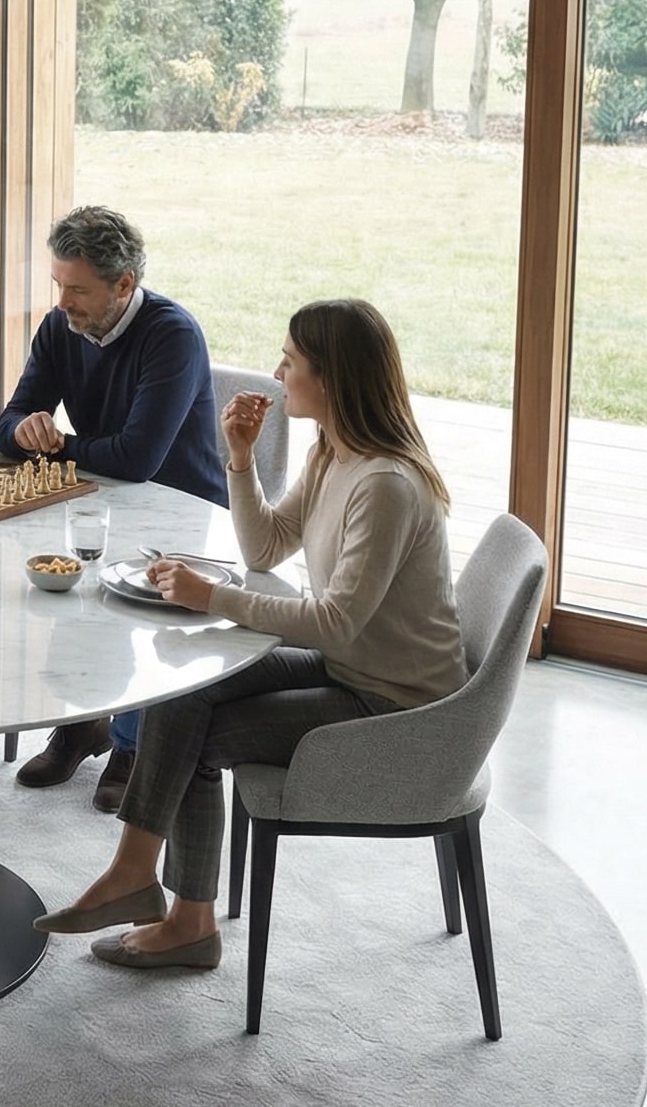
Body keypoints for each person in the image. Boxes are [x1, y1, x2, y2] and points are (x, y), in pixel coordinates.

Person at [34, 297, 466, 969]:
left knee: (196, 732)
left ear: (330, 378)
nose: (277, 372)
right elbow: (267, 550)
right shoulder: (335, 455)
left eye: (290, 362)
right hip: (350, 666)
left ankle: (179, 917)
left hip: (396, 704)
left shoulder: (383, 484)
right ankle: (149, 888)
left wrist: (216, 597)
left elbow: (335, 620)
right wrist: (240, 460)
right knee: (184, 682)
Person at [0, 205, 225, 810]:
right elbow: (6, 423)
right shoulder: (58, 327)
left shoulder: (172, 334)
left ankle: (131, 743)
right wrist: (25, 432)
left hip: (182, 514)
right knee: (60, 585)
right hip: (103, 501)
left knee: (114, 593)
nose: (63, 301)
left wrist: (60, 445)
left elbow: (137, 459)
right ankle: (83, 723)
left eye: (78, 289)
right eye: (58, 285)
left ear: (124, 285)